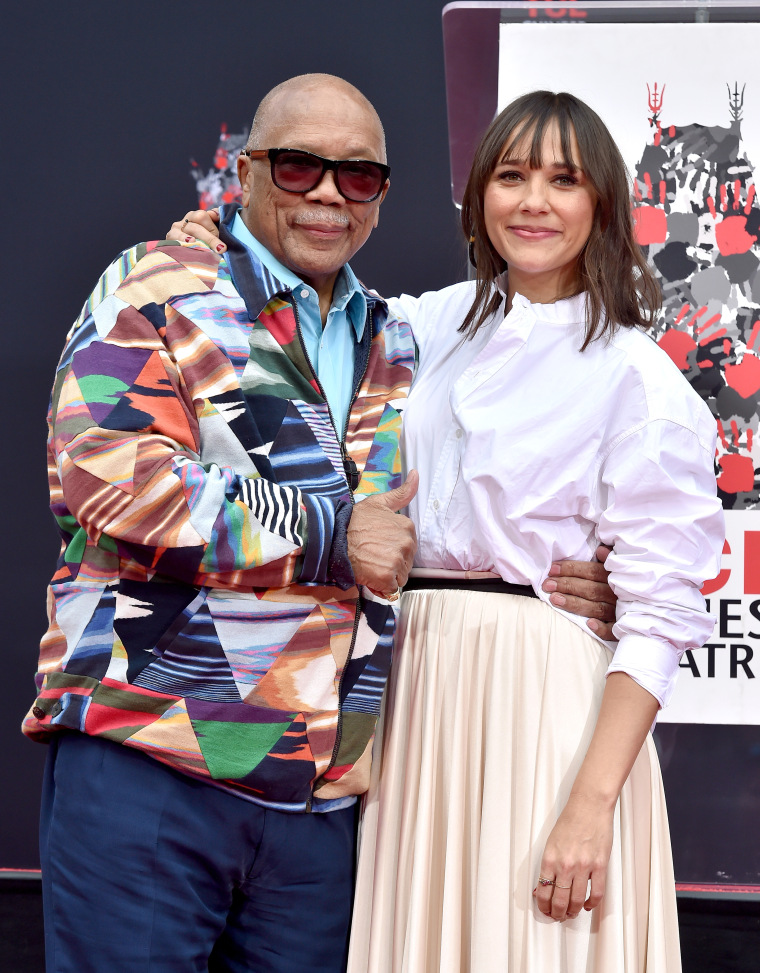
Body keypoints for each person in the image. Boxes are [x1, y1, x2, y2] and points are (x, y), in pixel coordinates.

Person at [25, 76, 613, 973]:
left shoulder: (399, 339)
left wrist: (570, 581)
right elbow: (104, 475)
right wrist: (329, 533)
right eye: (299, 167)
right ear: (247, 170)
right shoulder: (160, 287)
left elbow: (447, 510)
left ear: (383, 195)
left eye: (359, 175)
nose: (329, 192)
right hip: (152, 757)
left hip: (320, 810)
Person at [177, 91, 724, 971]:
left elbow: (660, 618)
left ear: (605, 205)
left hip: (542, 711)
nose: (534, 201)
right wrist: (205, 242)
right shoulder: (424, 327)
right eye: (511, 175)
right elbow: (287, 312)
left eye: (564, 180)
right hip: (410, 697)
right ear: (478, 196)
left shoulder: (640, 382)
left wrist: (590, 807)